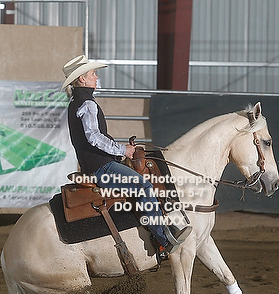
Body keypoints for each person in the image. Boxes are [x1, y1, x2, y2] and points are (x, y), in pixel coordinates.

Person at [61, 55, 190, 254]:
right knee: (144, 186)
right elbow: (94, 137)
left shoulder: (76, 103)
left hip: (94, 165)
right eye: (93, 74)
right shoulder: (87, 104)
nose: (96, 77)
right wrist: (123, 150)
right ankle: (164, 240)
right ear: (82, 79)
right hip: (101, 168)